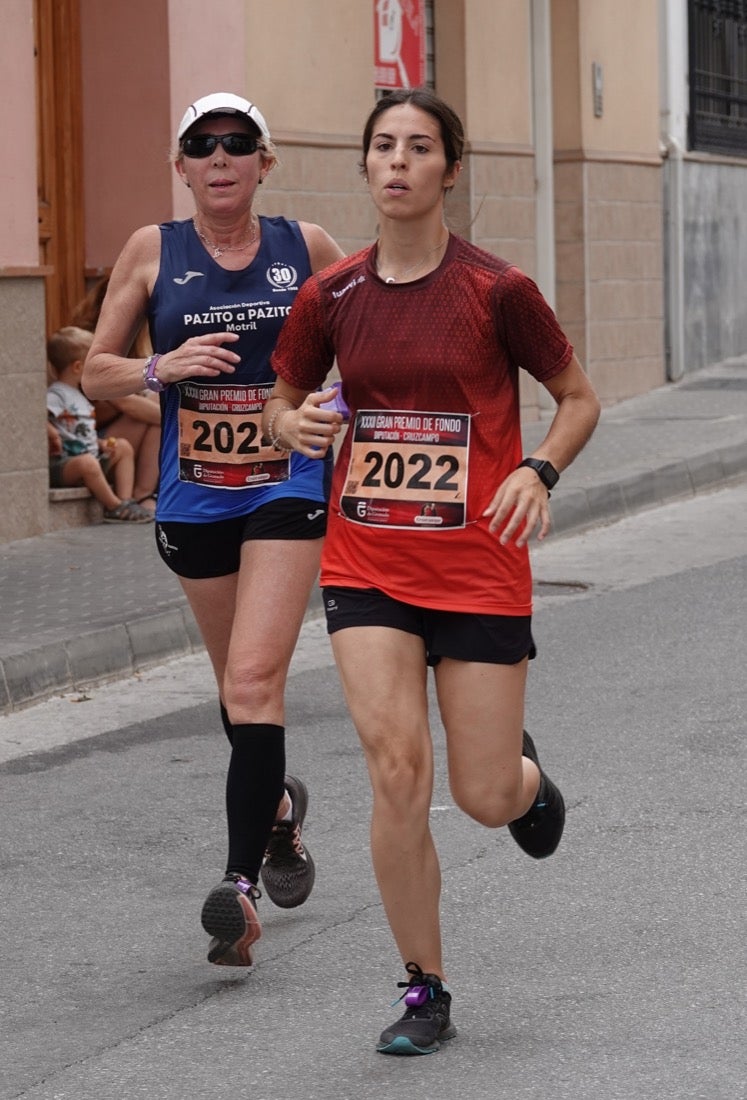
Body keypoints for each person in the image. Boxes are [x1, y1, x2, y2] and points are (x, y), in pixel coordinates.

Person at [264, 87, 601, 1055]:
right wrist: (297, 424)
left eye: (419, 147)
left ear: (450, 168)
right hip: (368, 560)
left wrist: (540, 468)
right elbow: (284, 405)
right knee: (397, 769)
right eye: (383, 147)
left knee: (480, 793)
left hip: (480, 565)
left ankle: (525, 782)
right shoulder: (332, 296)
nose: (399, 162)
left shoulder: (497, 291)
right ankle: (425, 985)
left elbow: (576, 398)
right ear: (366, 167)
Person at [82, 92, 345, 967]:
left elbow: (367, 325)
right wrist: (161, 366)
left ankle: (236, 889)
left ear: (264, 162)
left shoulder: (301, 248)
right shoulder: (151, 250)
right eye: (204, 144)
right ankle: (276, 817)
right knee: (238, 689)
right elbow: (94, 372)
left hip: (286, 481)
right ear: (182, 164)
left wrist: (332, 405)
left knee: (257, 675)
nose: (221, 157)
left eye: (239, 144)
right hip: (194, 496)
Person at [71, 275, 161, 511]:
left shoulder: (137, 340)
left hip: (118, 438)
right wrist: (176, 417)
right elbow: (125, 403)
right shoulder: (82, 343)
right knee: (155, 415)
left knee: (156, 400)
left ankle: (144, 493)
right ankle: (141, 495)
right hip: (91, 441)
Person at [46, 326, 153, 523]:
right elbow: (39, 419)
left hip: (90, 459)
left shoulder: (80, 396)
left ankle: (126, 500)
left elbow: (78, 430)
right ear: (78, 367)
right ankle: (114, 506)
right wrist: (51, 432)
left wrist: (100, 443)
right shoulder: (57, 393)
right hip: (65, 464)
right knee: (87, 463)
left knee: (122, 447)